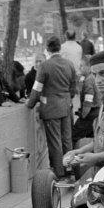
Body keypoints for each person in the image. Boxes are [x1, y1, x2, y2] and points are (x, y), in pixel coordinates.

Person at [26, 35, 77, 180]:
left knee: (55, 142)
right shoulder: (69, 64)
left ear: (47, 49)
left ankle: (59, 172)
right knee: (67, 139)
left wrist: (29, 104)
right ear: (59, 47)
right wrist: (67, 98)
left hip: (50, 109)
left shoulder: (45, 66)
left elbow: (36, 89)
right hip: (66, 107)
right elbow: (73, 88)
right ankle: (70, 169)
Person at [72, 55, 100, 143]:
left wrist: (83, 115)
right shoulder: (92, 78)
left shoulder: (89, 81)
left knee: (74, 135)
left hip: (90, 115)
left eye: (82, 66)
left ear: (89, 67)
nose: (80, 68)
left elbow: (88, 101)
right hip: (96, 114)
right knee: (92, 138)